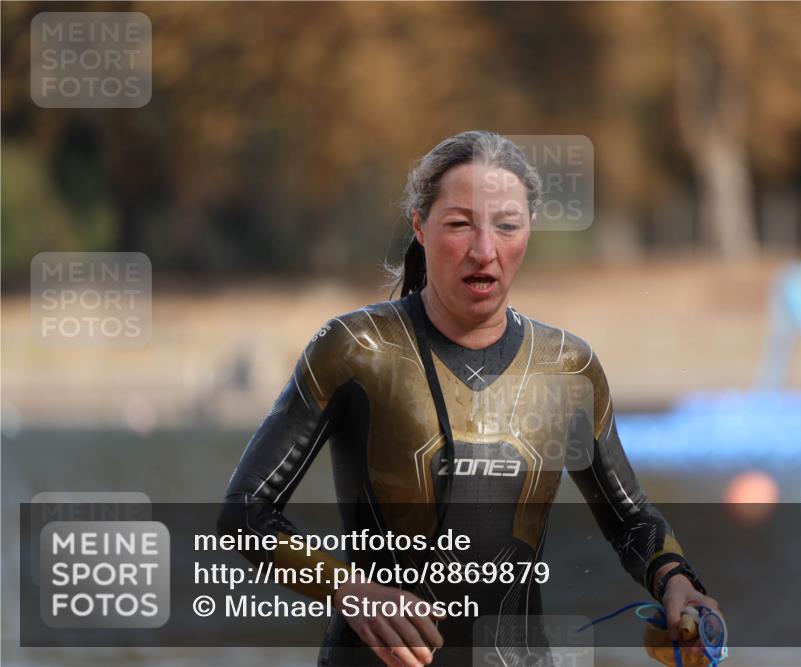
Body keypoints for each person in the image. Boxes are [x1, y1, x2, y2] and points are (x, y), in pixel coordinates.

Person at [218, 130, 721, 667]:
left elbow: (630, 519)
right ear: (419, 225)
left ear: (529, 229)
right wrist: (346, 589)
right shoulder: (356, 350)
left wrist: (676, 580)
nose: (484, 250)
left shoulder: (567, 368)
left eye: (507, 225)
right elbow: (244, 515)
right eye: (459, 224)